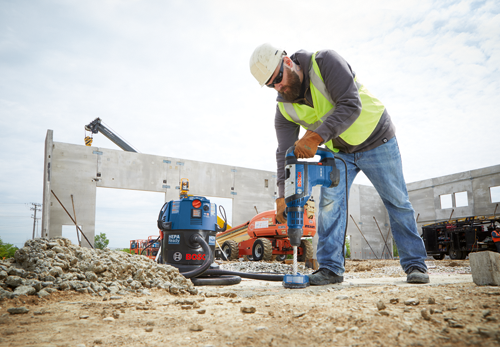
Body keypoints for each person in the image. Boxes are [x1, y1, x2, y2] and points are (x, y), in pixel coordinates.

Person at [249, 43, 429, 285]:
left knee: (397, 201)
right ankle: (331, 269)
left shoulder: (325, 63)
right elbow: (284, 152)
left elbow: (350, 104)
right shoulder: (284, 109)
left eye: (278, 77)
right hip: (340, 153)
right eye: (271, 85)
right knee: (329, 205)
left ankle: (415, 264)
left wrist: (314, 136)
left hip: (377, 138)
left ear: (288, 62)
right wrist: (283, 194)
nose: (278, 87)